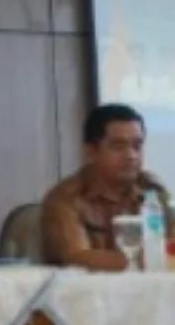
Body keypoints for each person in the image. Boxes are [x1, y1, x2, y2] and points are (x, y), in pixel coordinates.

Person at [41, 104, 174, 271]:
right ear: (91, 152)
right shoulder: (66, 198)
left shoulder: (152, 190)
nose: (131, 155)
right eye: (118, 146)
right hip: (86, 288)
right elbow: (77, 258)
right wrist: (148, 260)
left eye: (137, 146)